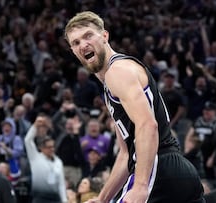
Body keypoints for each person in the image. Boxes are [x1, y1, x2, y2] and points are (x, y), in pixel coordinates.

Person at [65, 11, 204, 203]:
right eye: (76, 42)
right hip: (177, 171)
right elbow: (125, 154)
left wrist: (140, 185)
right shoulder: (111, 83)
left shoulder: (117, 71)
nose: (83, 45)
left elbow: (148, 125)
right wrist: (103, 198)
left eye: (88, 35)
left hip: (156, 169)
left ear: (105, 36)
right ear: (73, 51)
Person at [24, 116, 67, 203]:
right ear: (41, 148)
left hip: (55, 199)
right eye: (49, 147)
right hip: (39, 198)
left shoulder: (58, 162)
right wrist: (35, 126)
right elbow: (28, 140)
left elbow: (61, 183)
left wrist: (64, 200)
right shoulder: (35, 157)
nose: (52, 149)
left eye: (53, 147)